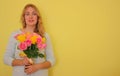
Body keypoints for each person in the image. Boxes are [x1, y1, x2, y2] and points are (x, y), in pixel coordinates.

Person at [3, 3, 55, 76]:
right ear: (24, 17)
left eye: (34, 14)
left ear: (38, 17)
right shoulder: (15, 35)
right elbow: (6, 58)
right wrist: (22, 62)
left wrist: (36, 67)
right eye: (27, 14)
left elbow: (51, 60)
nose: (30, 17)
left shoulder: (45, 36)